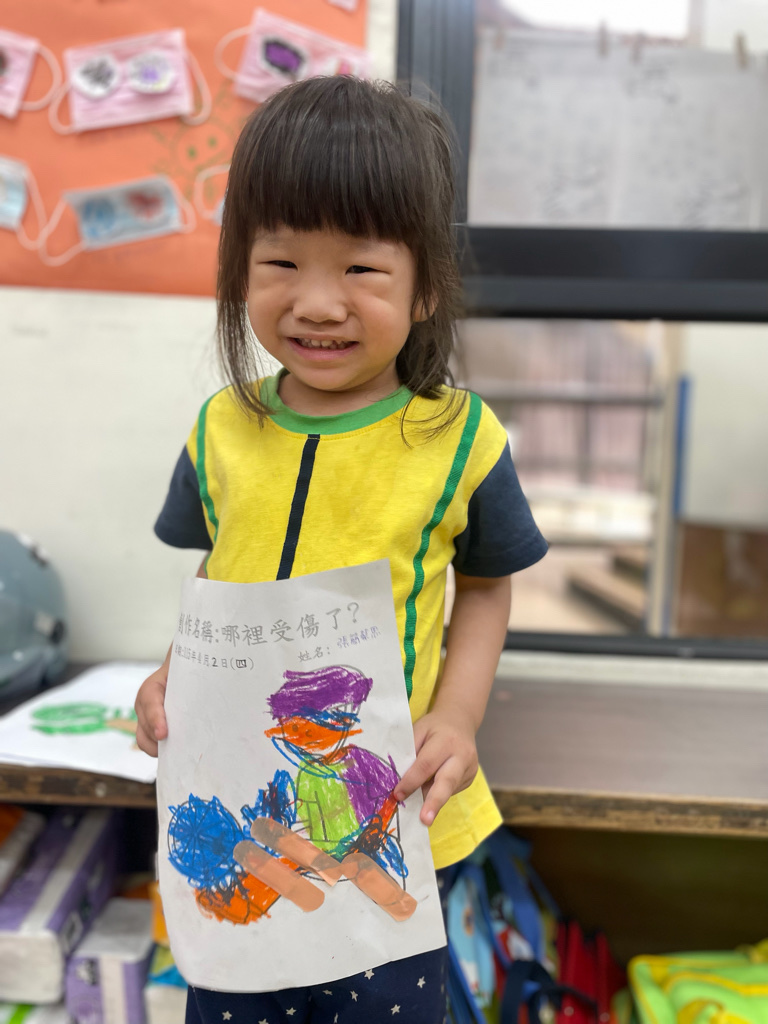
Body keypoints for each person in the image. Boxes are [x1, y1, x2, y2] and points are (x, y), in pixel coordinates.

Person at [134, 74, 547, 1024]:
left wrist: (458, 718)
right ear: (240, 267)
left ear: (425, 283)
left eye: (361, 269)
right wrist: (173, 674)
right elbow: (220, 576)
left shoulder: (460, 439)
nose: (317, 303)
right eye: (280, 262)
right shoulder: (221, 429)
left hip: (390, 812)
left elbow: (487, 588)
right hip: (249, 810)